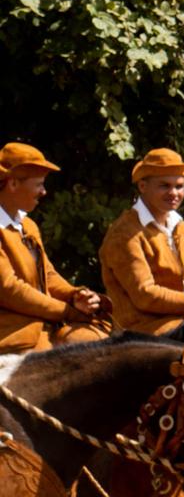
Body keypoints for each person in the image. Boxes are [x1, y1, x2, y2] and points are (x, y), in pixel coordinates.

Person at [99, 148, 184, 335]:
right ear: (143, 186)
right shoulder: (124, 234)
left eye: (179, 186)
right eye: (164, 186)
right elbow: (145, 296)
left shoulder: (183, 229)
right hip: (141, 332)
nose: (174, 193)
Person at [0, 142, 110, 351]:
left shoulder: (28, 226)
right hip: (12, 333)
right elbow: (9, 289)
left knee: (103, 345)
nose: (44, 192)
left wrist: (75, 295)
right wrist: (67, 312)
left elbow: (48, 275)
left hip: (44, 324)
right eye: (39, 184)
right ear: (13, 184)